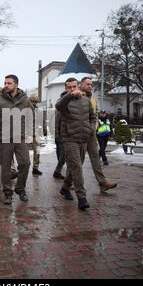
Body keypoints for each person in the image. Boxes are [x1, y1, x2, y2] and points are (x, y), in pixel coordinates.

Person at [0, 74, 33, 204]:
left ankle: (20, 189)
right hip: (5, 140)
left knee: (25, 164)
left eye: (9, 83)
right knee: (5, 168)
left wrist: (30, 134)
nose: (6, 85)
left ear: (16, 84)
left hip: (20, 139)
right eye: (5, 83)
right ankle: (8, 193)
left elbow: (30, 117)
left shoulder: (25, 100)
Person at [55, 79, 93, 210]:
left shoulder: (86, 100)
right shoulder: (64, 102)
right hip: (69, 138)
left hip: (83, 138)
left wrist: (91, 128)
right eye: (69, 87)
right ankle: (82, 198)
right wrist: (70, 95)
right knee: (77, 166)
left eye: (74, 86)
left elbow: (92, 116)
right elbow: (59, 106)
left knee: (75, 167)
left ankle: (65, 188)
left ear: (78, 86)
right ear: (66, 89)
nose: (72, 89)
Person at [78, 77, 117, 192]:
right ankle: (70, 182)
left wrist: (93, 128)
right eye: (87, 84)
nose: (90, 86)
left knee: (95, 157)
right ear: (81, 84)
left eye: (91, 84)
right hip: (80, 133)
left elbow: (94, 116)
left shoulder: (94, 99)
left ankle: (102, 183)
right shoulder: (77, 96)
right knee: (79, 160)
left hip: (91, 134)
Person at [29, 94, 42, 176]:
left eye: (35, 102)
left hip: (36, 134)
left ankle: (35, 168)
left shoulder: (37, 110)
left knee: (37, 151)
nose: (34, 103)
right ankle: (24, 168)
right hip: (27, 134)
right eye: (32, 101)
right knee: (23, 153)